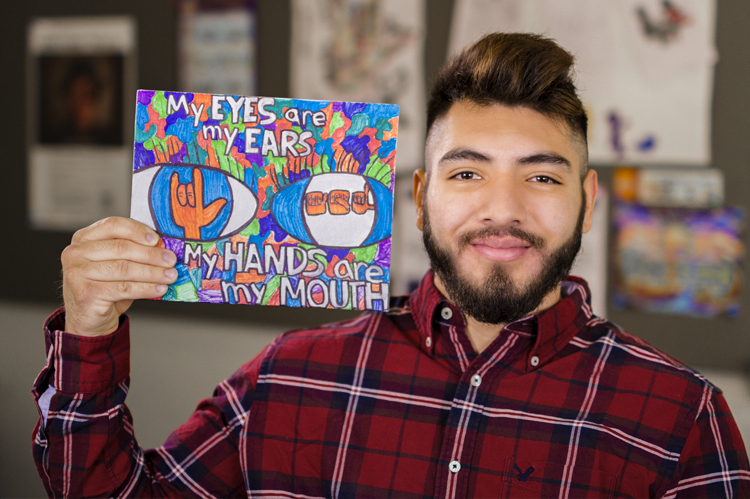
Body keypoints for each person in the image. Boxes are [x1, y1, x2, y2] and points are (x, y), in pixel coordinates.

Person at [32, 33, 749, 498]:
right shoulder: (290, 377)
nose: (503, 210)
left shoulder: (682, 422)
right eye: (467, 174)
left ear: (587, 200)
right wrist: (90, 331)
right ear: (418, 194)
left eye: (542, 176)